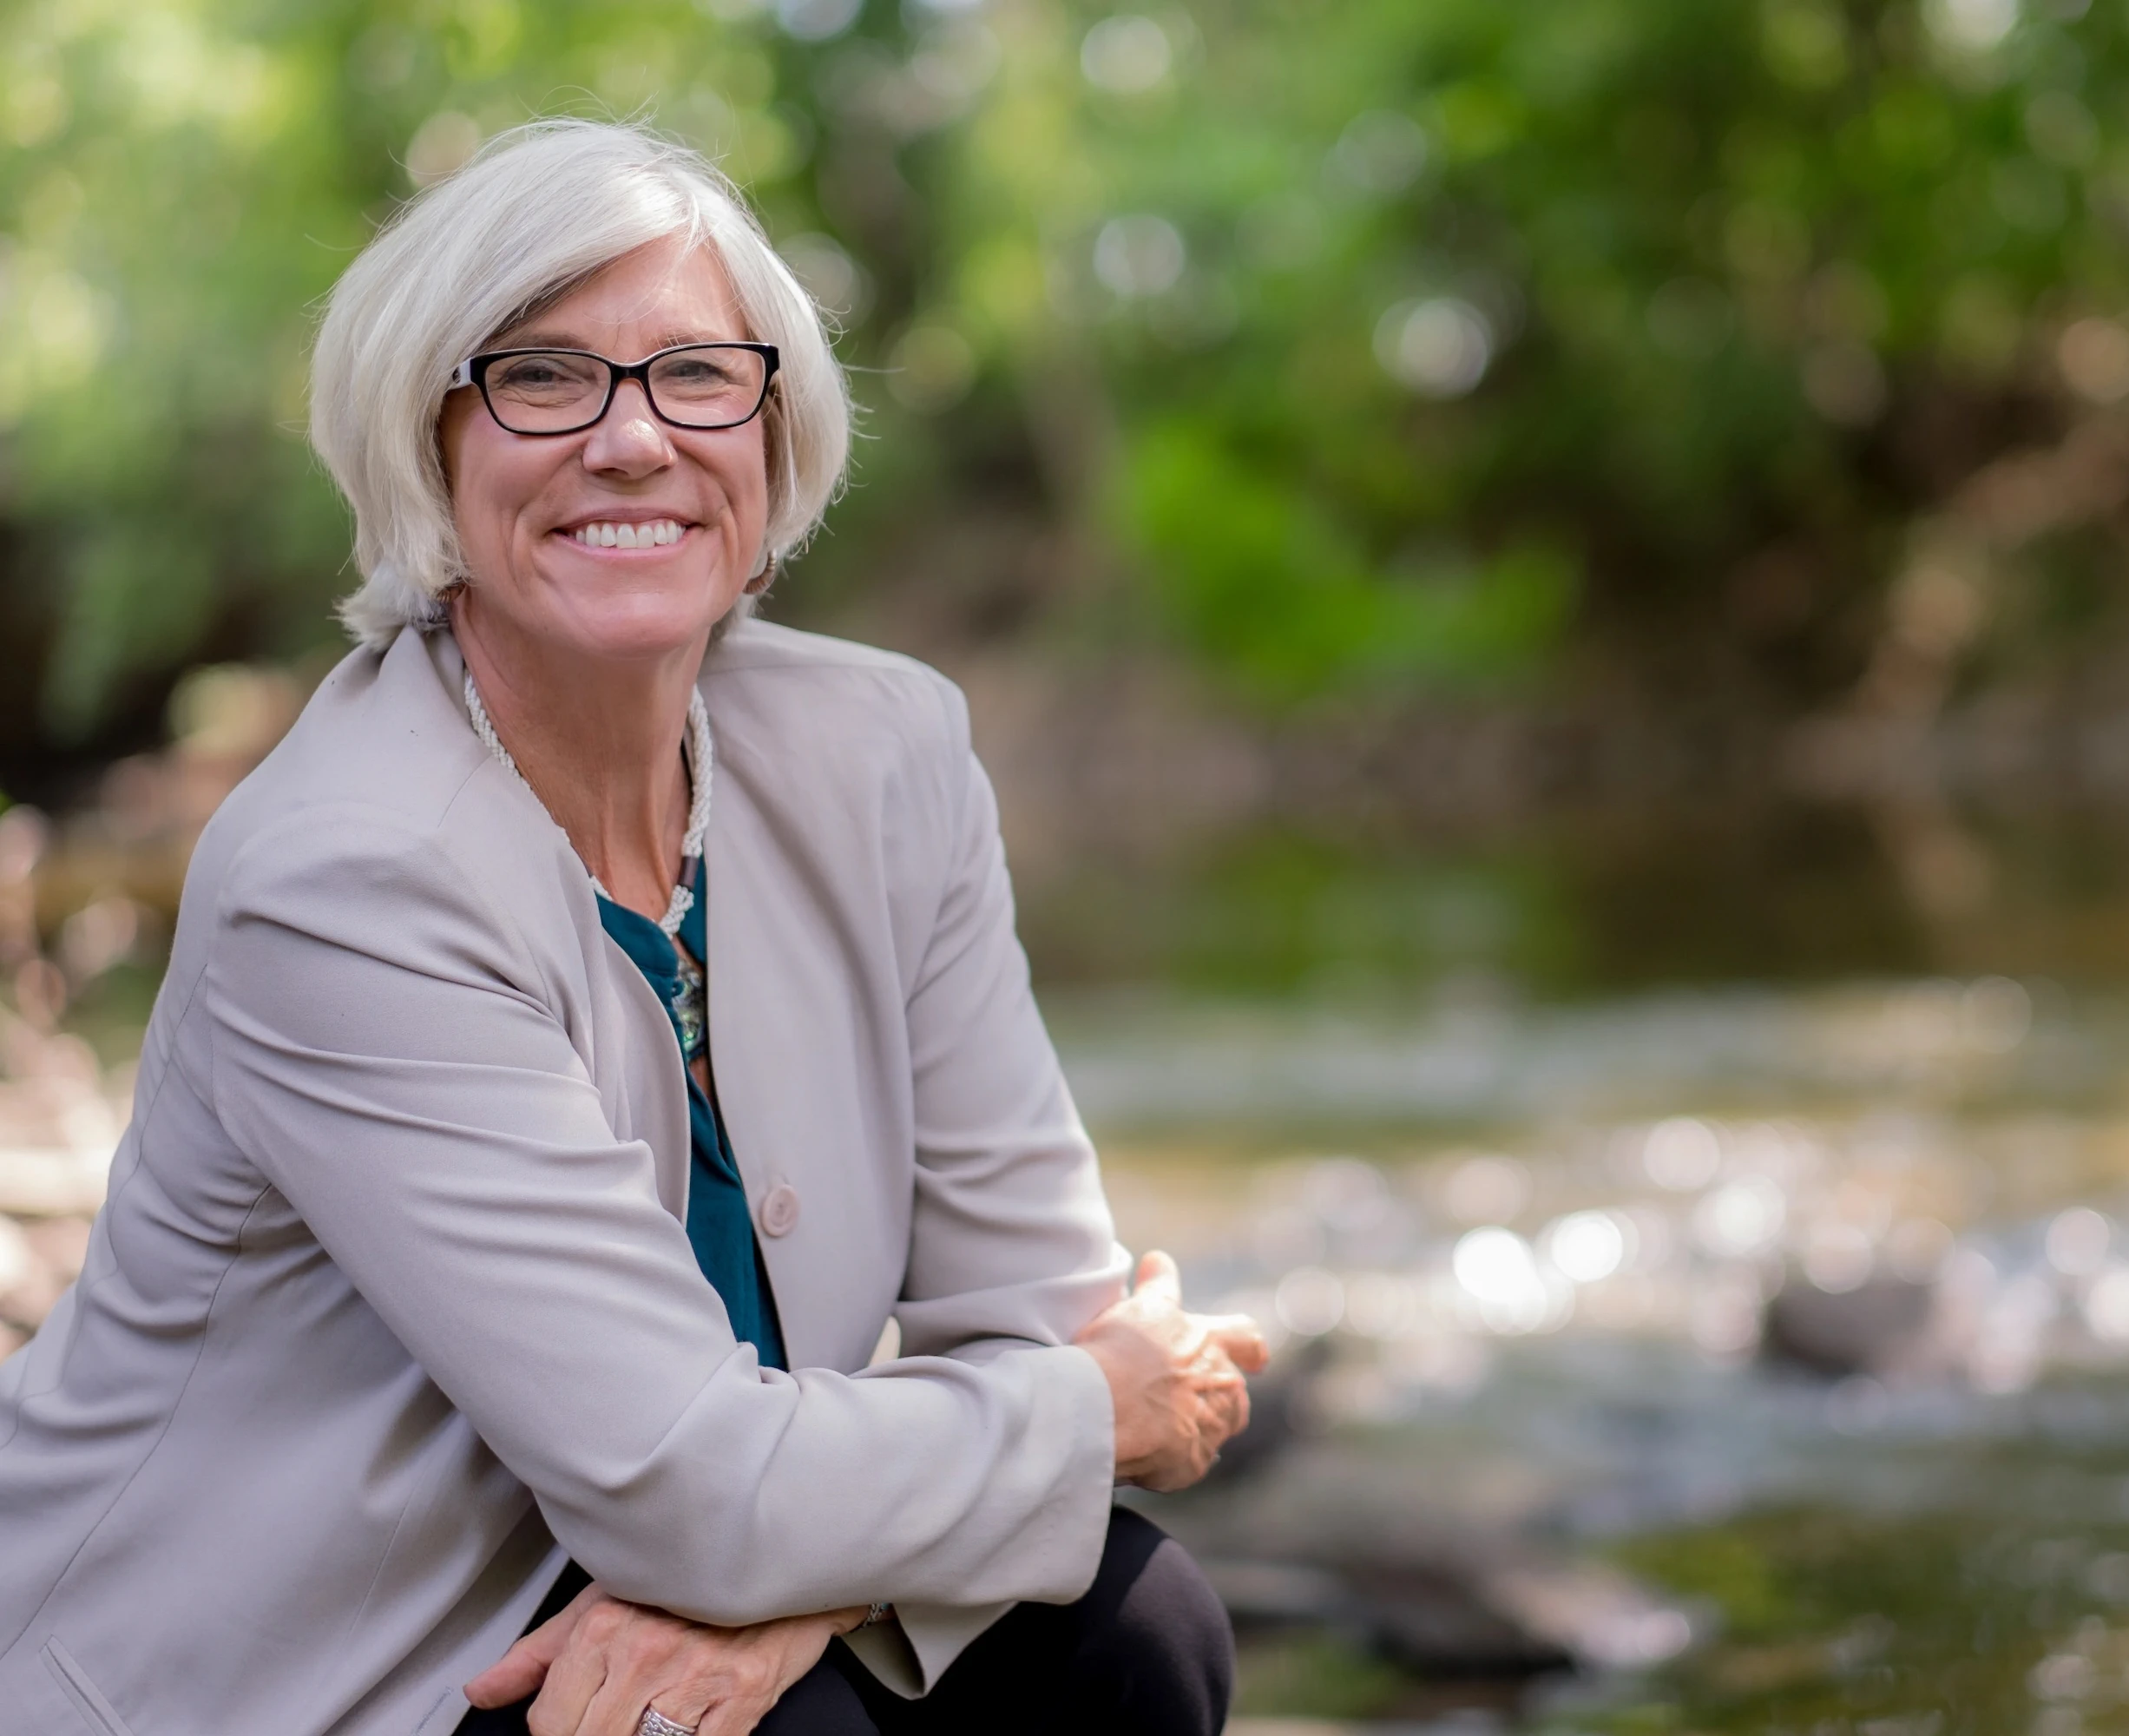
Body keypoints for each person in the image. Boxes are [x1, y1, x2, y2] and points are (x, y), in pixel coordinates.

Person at [0, 119, 1266, 1736]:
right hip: (282, 1673)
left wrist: (801, 1588)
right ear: (428, 442)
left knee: (1126, 1630)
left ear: (773, 423)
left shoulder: (884, 755)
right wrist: (1095, 1414)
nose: (631, 441)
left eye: (694, 375)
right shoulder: (341, 877)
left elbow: (1035, 1310)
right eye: (541, 378)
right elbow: (979, 1408)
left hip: (639, 1566)